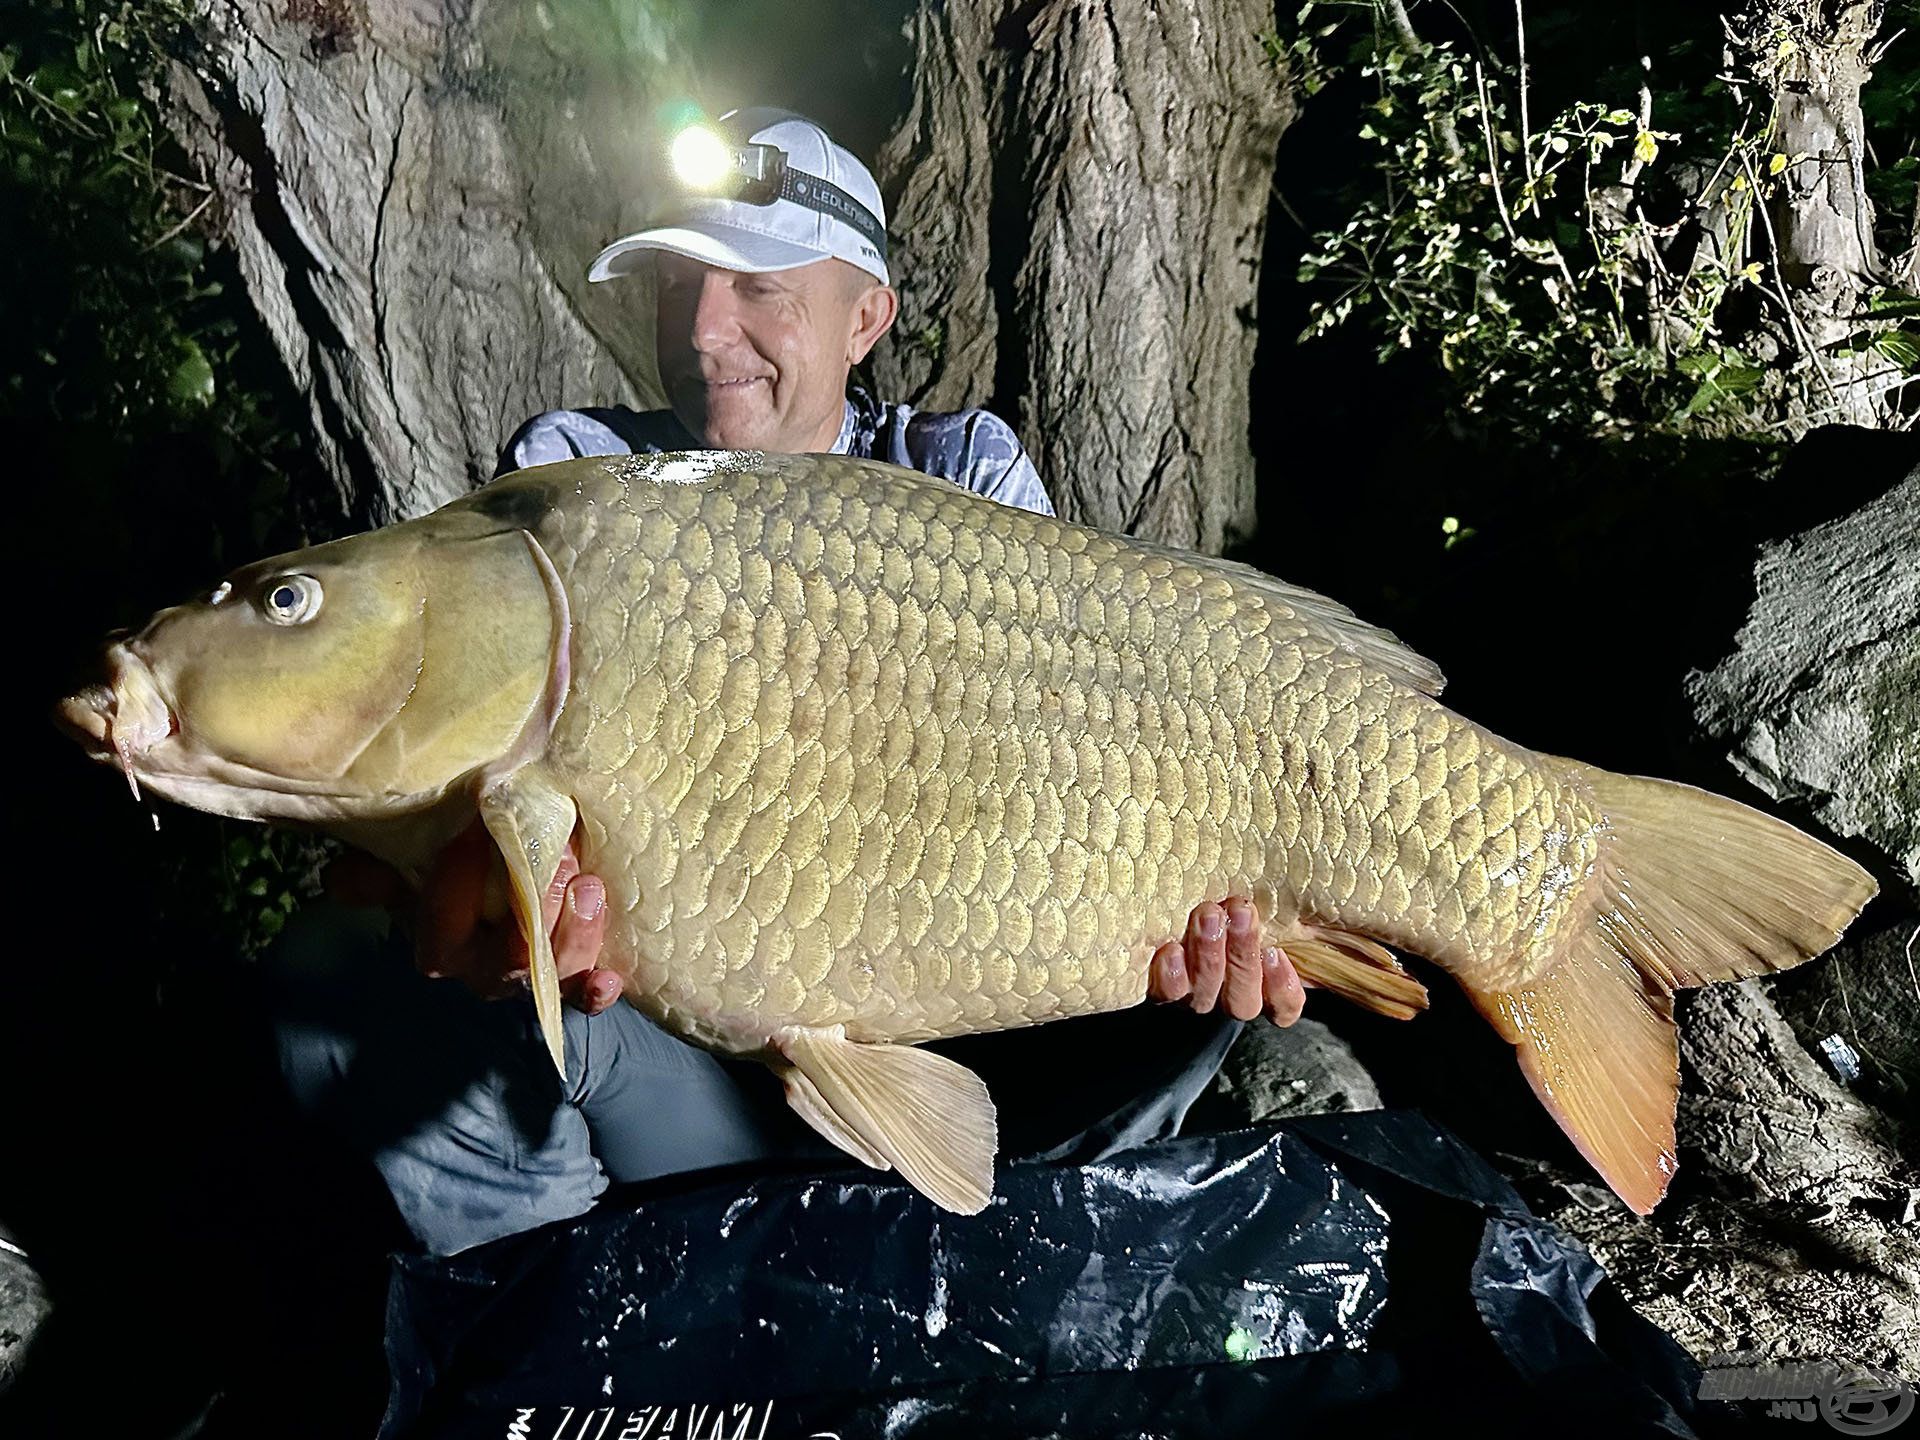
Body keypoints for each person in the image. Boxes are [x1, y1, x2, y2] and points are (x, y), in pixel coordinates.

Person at [272, 109, 1306, 1260]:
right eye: (679, 285)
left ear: (867, 318)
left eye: (760, 287)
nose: (707, 330)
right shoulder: (577, 491)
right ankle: (552, 1319)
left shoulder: (963, 474)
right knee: (343, 977)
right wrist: (491, 920)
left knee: (1213, 968)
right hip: (682, 1075)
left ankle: (1010, 1271)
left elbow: (1080, 785)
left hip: (956, 1057)